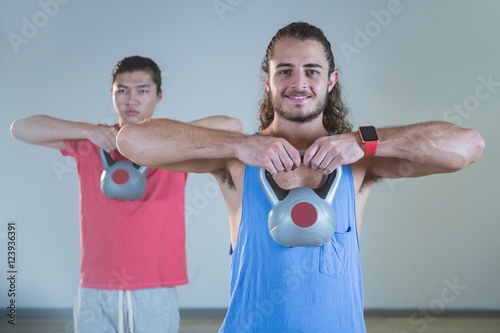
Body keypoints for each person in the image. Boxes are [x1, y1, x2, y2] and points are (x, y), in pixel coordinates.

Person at [115, 23, 485, 333]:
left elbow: (467, 147)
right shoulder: (237, 161)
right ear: (268, 81)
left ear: (331, 81)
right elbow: (131, 140)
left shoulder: (359, 162)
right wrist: (241, 144)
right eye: (285, 70)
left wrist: (365, 141)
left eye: (312, 70)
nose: (298, 82)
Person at [10, 55, 241, 333]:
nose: (131, 100)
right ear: (112, 96)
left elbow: (232, 125)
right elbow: (20, 128)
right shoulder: (93, 142)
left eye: (142, 91)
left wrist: (164, 136)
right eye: (122, 90)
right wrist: (87, 130)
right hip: (95, 287)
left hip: (154, 286)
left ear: (158, 97)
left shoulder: (174, 145)